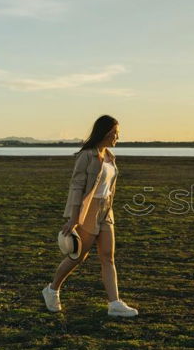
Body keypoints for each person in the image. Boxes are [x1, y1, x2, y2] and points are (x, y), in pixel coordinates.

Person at [42, 115, 138, 317]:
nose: (117, 137)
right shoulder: (87, 156)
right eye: (114, 133)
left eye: (117, 134)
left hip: (106, 210)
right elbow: (77, 187)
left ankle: (114, 304)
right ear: (105, 132)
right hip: (88, 210)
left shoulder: (110, 157)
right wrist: (73, 217)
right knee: (78, 256)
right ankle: (52, 290)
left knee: (108, 258)